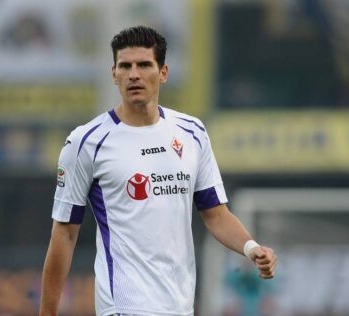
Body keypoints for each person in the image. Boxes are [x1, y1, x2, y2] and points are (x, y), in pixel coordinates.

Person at [40, 25, 277, 316]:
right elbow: (64, 233)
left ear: (163, 72)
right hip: (124, 306)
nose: (134, 74)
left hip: (179, 306)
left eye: (144, 65)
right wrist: (47, 312)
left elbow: (216, 215)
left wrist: (251, 248)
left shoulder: (192, 132)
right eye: (125, 66)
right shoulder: (86, 142)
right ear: (113, 74)